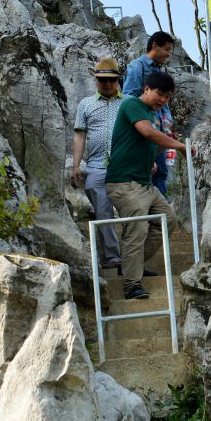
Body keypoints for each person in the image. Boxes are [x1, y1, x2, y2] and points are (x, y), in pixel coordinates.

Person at [105, 71, 187, 300]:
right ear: (147, 89)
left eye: (168, 97)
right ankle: (132, 284)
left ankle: (133, 265)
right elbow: (146, 133)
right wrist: (178, 145)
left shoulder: (152, 116)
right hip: (124, 182)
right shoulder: (132, 104)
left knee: (167, 220)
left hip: (144, 184)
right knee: (137, 229)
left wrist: (155, 154)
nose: (163, 100)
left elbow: (150, 143)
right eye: (160, 93)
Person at [71, 57, 124, 269]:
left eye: (112, 80)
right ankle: (112, 257)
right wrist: (76, 166)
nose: (108, 84)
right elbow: (79, 136)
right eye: (103, 80)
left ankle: (132, 257)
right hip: (95, 166)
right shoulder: (86, 104)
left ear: (118, 80)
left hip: (124, 167)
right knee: (103, 212)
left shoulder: (128, 102)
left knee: (132, 212)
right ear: (96, 80)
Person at [123, 31, 176, 196]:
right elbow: (129, 98)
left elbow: (164, 106)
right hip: (145, 131)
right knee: (146, 174)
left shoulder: (160, 71)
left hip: (160, 132)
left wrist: (168, 126)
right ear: (154, 46)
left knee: (161, 172)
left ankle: (161, 216)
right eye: (167, 49)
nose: (168, 54)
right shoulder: (137, 66)